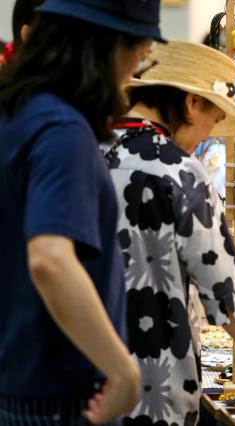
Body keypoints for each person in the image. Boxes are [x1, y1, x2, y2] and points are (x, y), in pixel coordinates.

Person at [104, 40, 235, 425]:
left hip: (80, 374)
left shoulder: (87, 146)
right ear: (192, 103)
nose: (209, 135)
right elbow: (223, 286)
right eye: (213, 119)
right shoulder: (179, 170)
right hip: (153, 378)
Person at [0, 0, 164, 424]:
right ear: (107, 44)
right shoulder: (62, 128)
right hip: (55, 398)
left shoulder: (19, 112)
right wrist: (123, 370)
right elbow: (50, 259)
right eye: (140, 48)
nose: (140, 64)